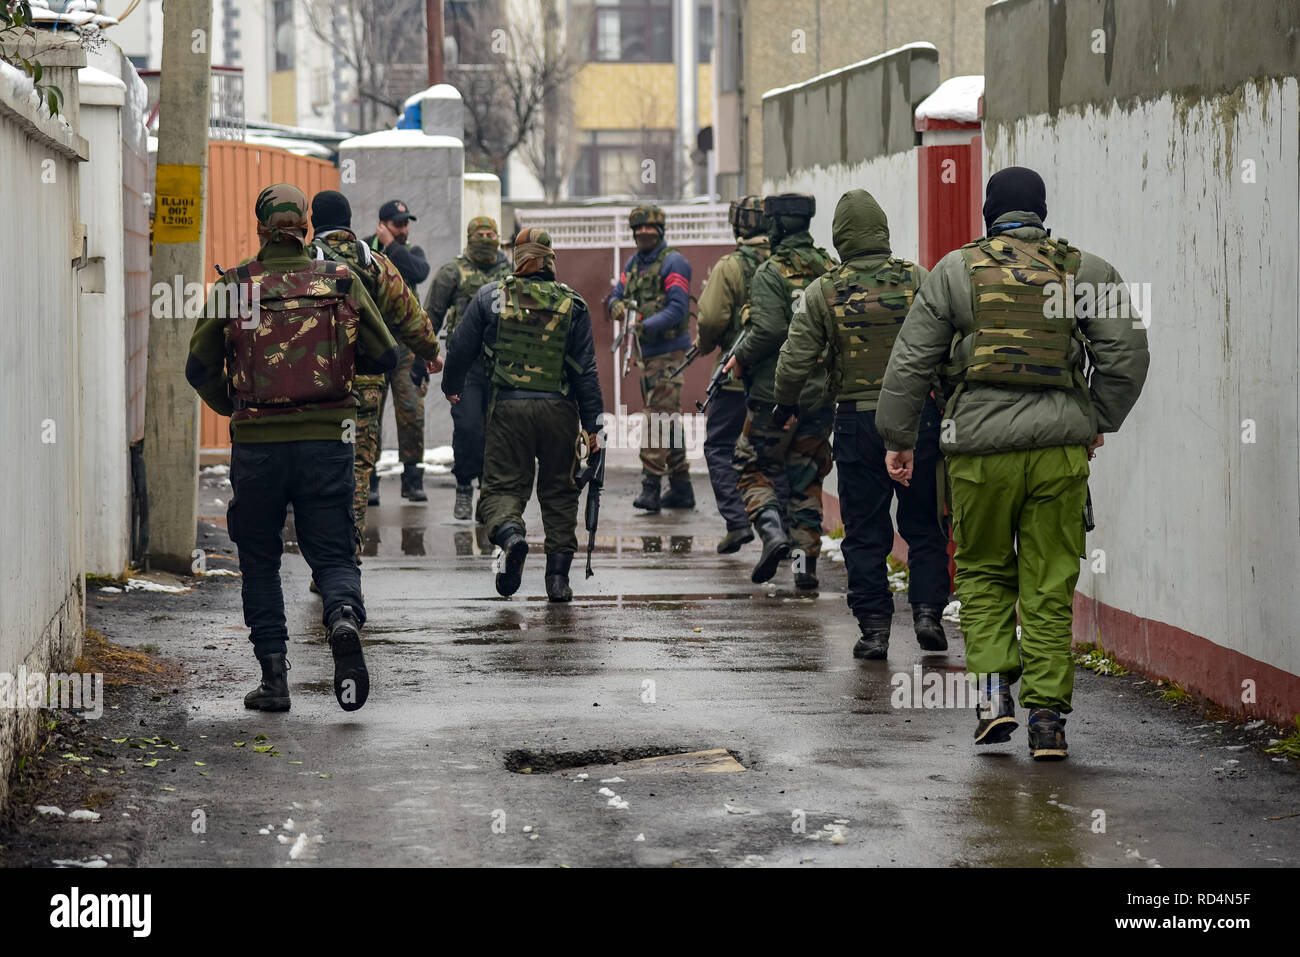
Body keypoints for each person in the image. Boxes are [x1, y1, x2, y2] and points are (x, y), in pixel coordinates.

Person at [876, 166, 1150, 759]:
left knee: (982, 573)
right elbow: (1126, 356)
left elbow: (910, 363)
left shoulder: (955, 270)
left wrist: (897, 439)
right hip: (1057, 454)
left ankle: (995, 696)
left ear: (989, 213)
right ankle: (1048, 721)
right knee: (1049, 582)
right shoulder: (1085, 270)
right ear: (1042, 212)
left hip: (978, 454)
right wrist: (1094, 420)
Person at [187, 183, 398, 713]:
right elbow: (387, 354)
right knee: (331, 547)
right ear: (306, 227)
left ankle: (275, 680)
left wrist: (235, 407)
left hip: (258, 444)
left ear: (261, 228)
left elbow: (197, 367)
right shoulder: (341, 280)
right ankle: (344, 616)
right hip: (330, 439)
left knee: (258, 557)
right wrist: (340, 384)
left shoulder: (236, 285)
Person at [773, 188, 949, 660]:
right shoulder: (918, 279)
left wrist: (784, 403)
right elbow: (947, 348)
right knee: (926, 523)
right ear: (883, 230)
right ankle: (929, 613)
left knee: (865, 529)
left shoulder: (823, 291)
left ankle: (874, 630)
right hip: (917, 419)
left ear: (840, 236)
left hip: (855, 422)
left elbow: (795, 359)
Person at [442, 227, 605, 601]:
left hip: (509, 409)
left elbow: (460, 349)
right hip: (559, 411)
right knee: (560, 492)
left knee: (502, 487)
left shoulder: (491, 297)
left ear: (517, 258)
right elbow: (586, 372)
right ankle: (558, 581)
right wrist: (595, 425)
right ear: (550, 259)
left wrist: (452, 387)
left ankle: (512, 536)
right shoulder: (573, 304)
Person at [309, 190, 442, 560]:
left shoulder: (303, 261)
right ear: (352, 223)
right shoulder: (371, 260)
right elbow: (411, 313)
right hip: (365, 377)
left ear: (313, 223)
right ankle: (342, 561)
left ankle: (323, 554)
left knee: (316, 463)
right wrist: (432, 352)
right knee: (356, 463)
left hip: (314, 382)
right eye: (396, 224)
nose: (402, 229)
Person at [725, 193, 835, 588]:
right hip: (820, 395)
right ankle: (804, 570)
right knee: (805, 478)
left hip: (775, 396)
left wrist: (740, 356)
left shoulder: (771, 272)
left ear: (775, 225)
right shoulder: (828, 267)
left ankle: (772, 535)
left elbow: (768, 330)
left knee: (751, 464)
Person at [604, 205, 694, 512]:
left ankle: (651, 486)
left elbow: (678, 309)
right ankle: (682, 488)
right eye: (638, 228)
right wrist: (618, 308)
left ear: (661, 230)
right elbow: (616, 296)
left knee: (657, 417)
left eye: (649, 228)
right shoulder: (633, 264)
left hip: (669, 353)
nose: (643, 233)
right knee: (666, 417)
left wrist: (642, 325)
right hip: (647, 355)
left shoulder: (674, 262)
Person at [695, 195, 770, 554]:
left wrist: (707, 344)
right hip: (782, 379)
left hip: (735, 376)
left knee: (721, 446)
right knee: (776, 452)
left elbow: (709, 320)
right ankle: (780, 531)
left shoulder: (730, 266)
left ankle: (738, 522)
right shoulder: (785, 263)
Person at [424, 216, 513, 520]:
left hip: (502, 366)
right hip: (467, 366)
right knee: (469, 428)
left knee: (498, 433)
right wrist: (422, 355)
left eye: (491, 234)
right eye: (480, 234)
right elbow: (430, 317)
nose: (486, 238)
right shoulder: (452, 272)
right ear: (469, 237)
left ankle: (488, 496)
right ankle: (464, 485)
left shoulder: (511, 273)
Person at [364, 199, 432, 503]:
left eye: (406, 224)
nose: (404, 230)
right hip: (375, 344)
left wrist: (392, 246)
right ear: (382, 225)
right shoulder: (365, 250)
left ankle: (412, 479)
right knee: (371, 413)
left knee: (411, 412)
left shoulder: (410, 254)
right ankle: (371, 479)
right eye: (397, 225)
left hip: (405, 347)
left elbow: (418, 273)